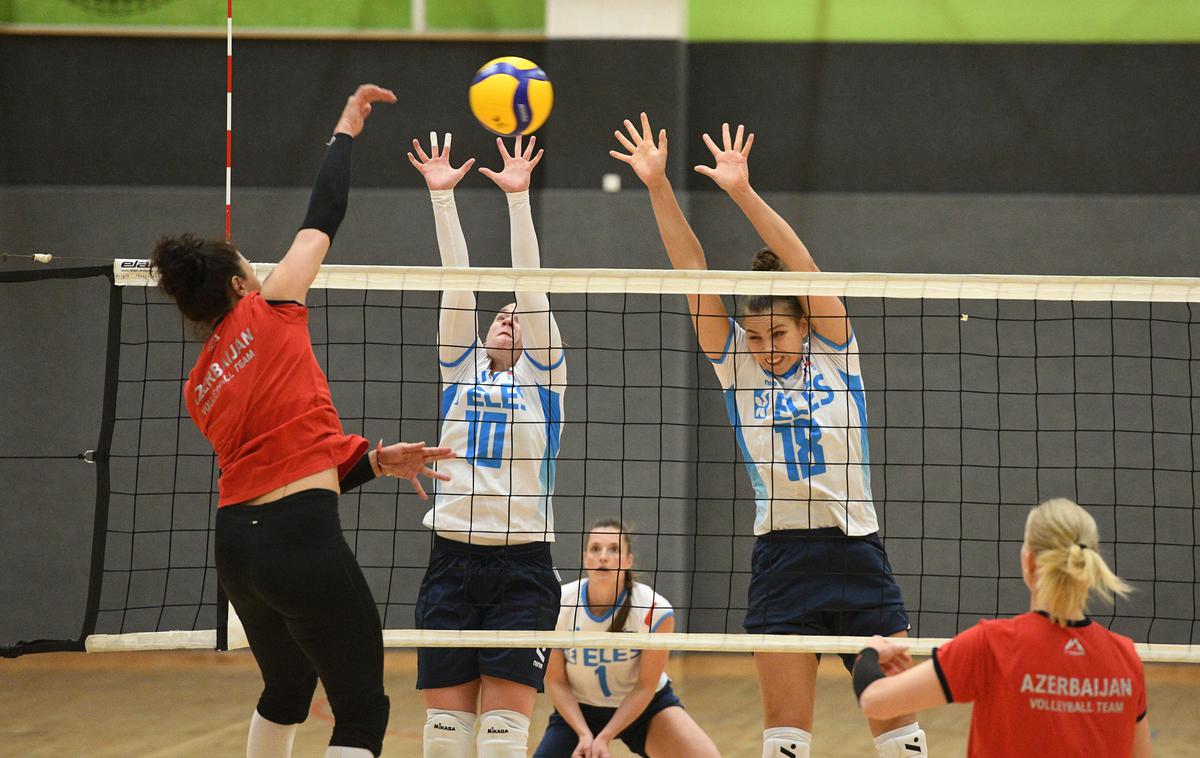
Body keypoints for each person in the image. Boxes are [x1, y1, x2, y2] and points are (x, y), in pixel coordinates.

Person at [152, 84, 456, 758]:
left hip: (237, 548)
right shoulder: (273, 305)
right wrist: (345, 129)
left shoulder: (198, 383)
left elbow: (278, 461)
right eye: (250, 267)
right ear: (238, 285)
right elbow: (325, 213)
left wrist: (374, 462)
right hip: (298, 540)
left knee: (287, 686)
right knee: (361, 712)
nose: (262, 270)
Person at [611, 114, 925, 758]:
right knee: (784, 737)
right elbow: (692, 272)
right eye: (754, 337)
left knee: (899, 726)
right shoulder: (737, 368)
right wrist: (657, 187)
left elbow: (804, 265)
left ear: (803, 326)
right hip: (783, 561)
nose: (764, 348)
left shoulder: (837, 352)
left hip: (858, 553)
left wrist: (741, 191)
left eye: (776, 336)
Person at [407, 132, 567, 757]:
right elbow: (458, 285)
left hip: (523, 565)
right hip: (450, 558)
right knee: (446, 735)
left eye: (517, 316)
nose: (507, 318)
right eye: (499, 315)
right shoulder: (460, 366)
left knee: (502, 735)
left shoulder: (546, 377)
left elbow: (530, 286)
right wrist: (442, 200)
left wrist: (518, 200)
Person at [852, 497, 1152, 757]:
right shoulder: (1126, 659)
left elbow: (874, 702)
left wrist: (869, 653)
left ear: (1029, 562)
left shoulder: (992, 645)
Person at [533, 519, 720, 758]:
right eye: (595, 549)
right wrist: (584, 734)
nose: (603, 557)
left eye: (614, 549)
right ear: (585, 558)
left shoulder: (654, 610)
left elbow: (645, 687)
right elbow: (557, 682)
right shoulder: (560, 604)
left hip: (644, 709)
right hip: (579, 712)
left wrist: (605, 737)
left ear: (628, 560)